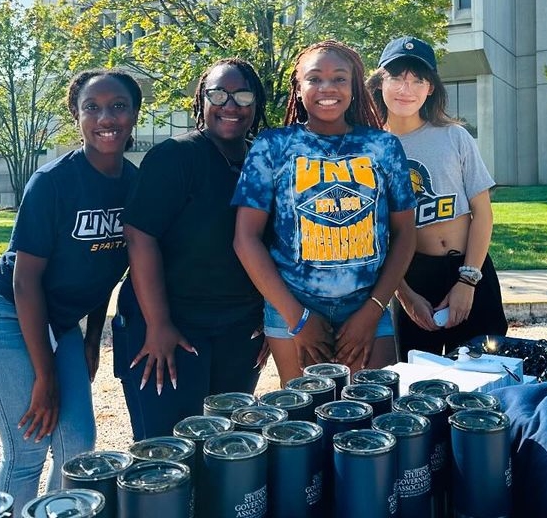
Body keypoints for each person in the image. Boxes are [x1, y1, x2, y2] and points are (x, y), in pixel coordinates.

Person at [0, 69, 142, 511]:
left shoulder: (135, 185)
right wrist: (45, 375)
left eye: (118, 106)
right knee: (28, 448)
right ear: (76, 117)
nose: (106, 117)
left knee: (79, 445)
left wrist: (93, 340)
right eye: (92, 108)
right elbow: (25, 281)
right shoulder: (53, 182)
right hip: (2, 314)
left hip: (60, 324)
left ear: (134, 113)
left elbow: (106, 270)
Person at [233, 40, 417, 385]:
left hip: (367, 306)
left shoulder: (383, 146)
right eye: (314, 78)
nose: (327, 88)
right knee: (307, 422)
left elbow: (406, 234)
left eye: (339, 78)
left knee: (372, 423)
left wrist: (373, 309)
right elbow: (245, 238)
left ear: (354, 86)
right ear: (298, 88)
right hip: (293, 307)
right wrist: (297, 317)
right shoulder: (272, 146)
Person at [114, 59, 269, 439]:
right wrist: (159, 324)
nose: (230, 104)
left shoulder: (264, 160)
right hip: (172, 326)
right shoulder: (174, 156)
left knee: (228, 446)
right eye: (218, 94)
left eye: (243, 94)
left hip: (240, 328)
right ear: (201, 100)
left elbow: (274, 244)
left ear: (257, 105)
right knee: (168, 447)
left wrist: (272, 312)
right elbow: (139, 236)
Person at [368, 36, 507, 359]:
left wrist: (468, 281)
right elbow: (378, 237)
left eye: (419, 80)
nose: (407, 89)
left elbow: (482, 214)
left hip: (470, 267)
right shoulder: (369, 150)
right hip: (412, 277)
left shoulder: (453, 135)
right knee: (418, 386)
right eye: (397, 78)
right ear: (379, 82)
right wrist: (404, 295)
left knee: (486, 374)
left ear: (431, 88)